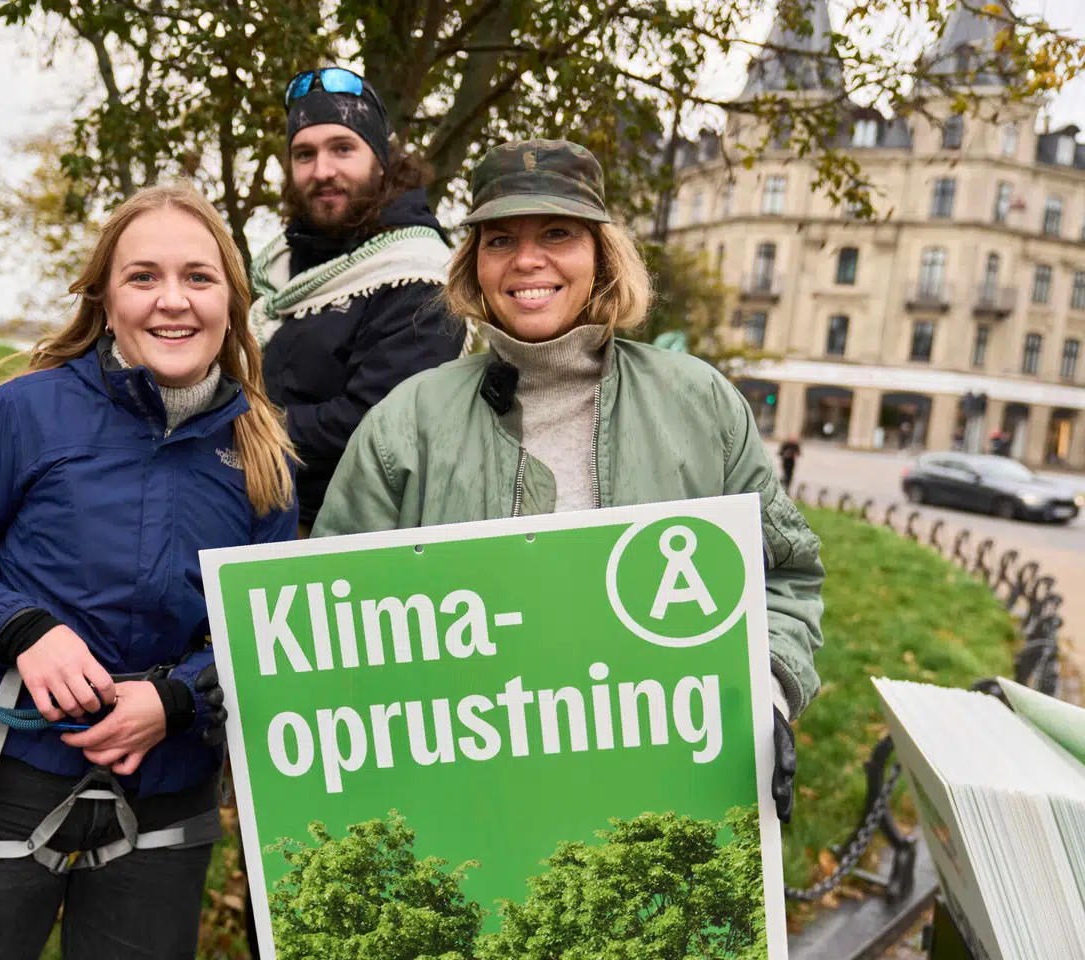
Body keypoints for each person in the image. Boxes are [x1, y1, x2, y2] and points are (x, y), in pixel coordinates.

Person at [313, 139, 823, 822]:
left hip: (663, 800)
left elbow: (784, 577)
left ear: (600, 256)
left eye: (557, 233)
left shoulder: (699, 405)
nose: (528, 260)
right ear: (476, 265)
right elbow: (334, 620)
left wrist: (767, 695)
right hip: (465, 808)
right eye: (500, 240)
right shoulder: (407, 422)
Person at [0, 182, 298, 960]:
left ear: (231, 303)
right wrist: (22, 630)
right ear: (106, 301)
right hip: (2, 777)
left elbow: (261, 625)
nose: (172, 301)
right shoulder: (23, 414)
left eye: (197, 278)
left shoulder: (261, 453)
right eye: (143, 277)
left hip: (166, 799)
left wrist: (178, 698)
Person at [251, 66, 467, 535]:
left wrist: (239, 428)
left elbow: (376, 423)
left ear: (382, 159)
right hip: (255, 521)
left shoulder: (417, 272)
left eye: (342, 148)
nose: (322, 171)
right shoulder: (276, 273)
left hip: (353, 542)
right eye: (304, 154)